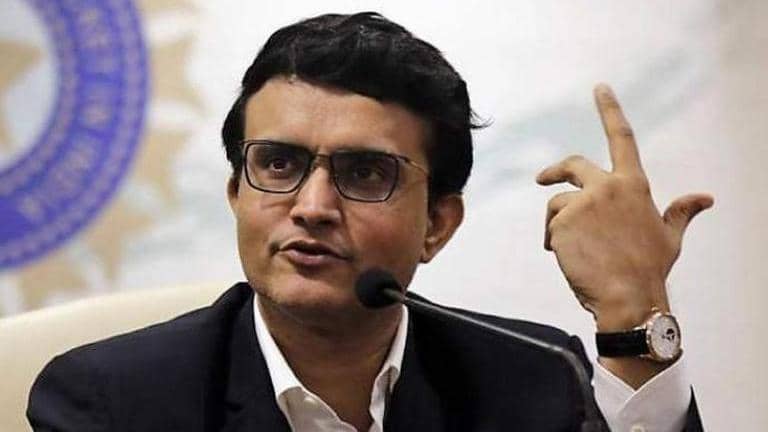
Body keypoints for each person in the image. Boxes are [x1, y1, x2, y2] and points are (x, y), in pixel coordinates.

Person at [27, 12, 711, 431]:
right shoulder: (111, 403)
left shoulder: (536, 379)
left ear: (437, 224)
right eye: (278, 163)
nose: (313, 206)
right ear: (236, 192)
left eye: (364, 174)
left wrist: (633, 312)